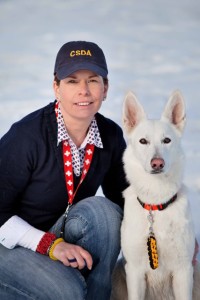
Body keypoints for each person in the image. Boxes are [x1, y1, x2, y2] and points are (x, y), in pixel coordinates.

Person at [0, 41, 128, 300]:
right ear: (56, 87)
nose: (84, 90)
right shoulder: (26, 137)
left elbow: (126, 197)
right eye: (72, 81)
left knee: (105, 213)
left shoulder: (110, 135)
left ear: (105, 88)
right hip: (9, 240)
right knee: (67, 291)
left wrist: (167, 232)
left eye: (93, 80)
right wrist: (49, 246)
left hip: (59, 232)